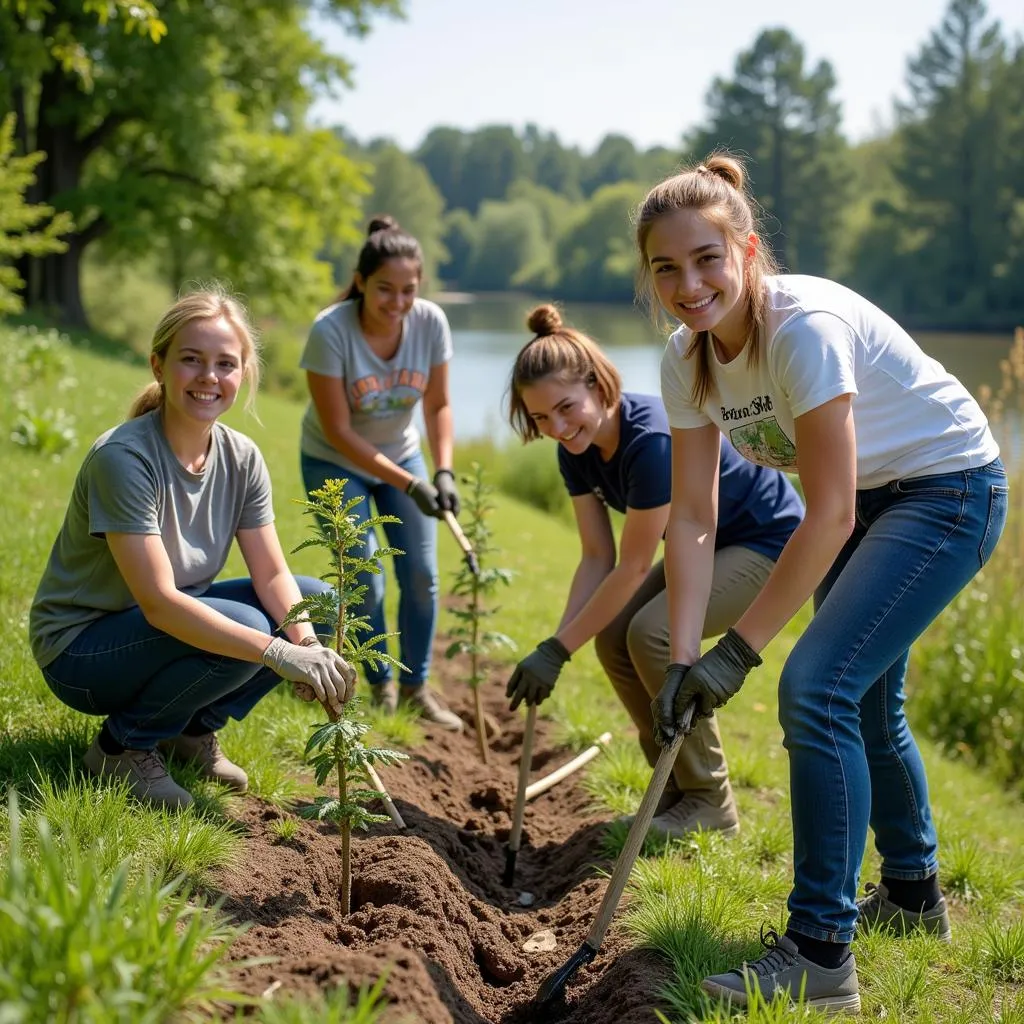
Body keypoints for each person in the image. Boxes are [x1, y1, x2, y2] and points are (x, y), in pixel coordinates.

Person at [639, 154, 1007, 1013]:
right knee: (866, 701)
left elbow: (830, 515)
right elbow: (693, 515)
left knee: (817, 688)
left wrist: (736, 654)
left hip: (946, 487)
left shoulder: (802, 330)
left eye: (706, 259)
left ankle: (819, 952)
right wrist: (684, 657)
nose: (689, 285)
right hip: (867, 498)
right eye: (666, 268)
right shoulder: (685, 360)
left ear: (747, 250)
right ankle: (914, 898)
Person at [29, 288, 357, 811]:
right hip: (84, 652)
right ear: (159, 366)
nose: (209, 376)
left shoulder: (242, 457)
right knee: (253, 630)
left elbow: (273, 573)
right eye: (191, 359)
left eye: (226, 363)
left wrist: (309, 647)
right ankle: (120, 748)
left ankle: (190, 732)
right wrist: (277, 653)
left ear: (243, 374)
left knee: (313, 602)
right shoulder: (125, 458)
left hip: (157, 633)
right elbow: (159, 602)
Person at [503, 304, 804, 839]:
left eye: (566, 408)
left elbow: (632, 564)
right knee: (614, 638)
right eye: (542, 419)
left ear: (598, 385)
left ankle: (711, 800)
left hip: (767, 541)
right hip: (707, 544)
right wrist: (558, 641)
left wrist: (557, 651)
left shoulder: (649, 443)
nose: (558, 427)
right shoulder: (576, 449)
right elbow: (596, 556)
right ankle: (672, 787)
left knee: (652, 633)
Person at [299, 215, 463, 731]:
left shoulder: (431, 323)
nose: (397, 302)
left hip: (405, 455)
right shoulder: (331, 331)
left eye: (408, 291)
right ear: (362, 281)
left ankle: (416, 685)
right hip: (334, 459)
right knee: (364, 575)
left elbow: (438, 405)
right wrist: (407, 483)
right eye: (385, 289)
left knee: (420, 575)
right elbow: (340, 430)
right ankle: (380, 685)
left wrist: (442, 472)